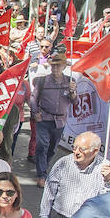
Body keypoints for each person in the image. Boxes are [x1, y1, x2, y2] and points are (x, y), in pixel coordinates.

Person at [38, 131, 110, 218]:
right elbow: (49, 191)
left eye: (82, 149)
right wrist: (44, 216)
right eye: (74, 147)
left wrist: (108, 180)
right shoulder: (63, 163)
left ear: (95, 151)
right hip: (58, 217)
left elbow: (108, 200)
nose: (76, 152)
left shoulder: (105, 168)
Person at [29, 54, 76, 188]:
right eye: (53, 65)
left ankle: (44, 166)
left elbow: (74, 102)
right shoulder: (42, 81)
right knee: (41, 145)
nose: (55, 68)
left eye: (58, 65)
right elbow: (34, 98)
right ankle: (41, 174)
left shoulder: (70, 81)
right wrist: (35, 112)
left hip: (60, 120)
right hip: (44, 117)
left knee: (52, 148)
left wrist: (73, 93)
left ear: (64, 67)